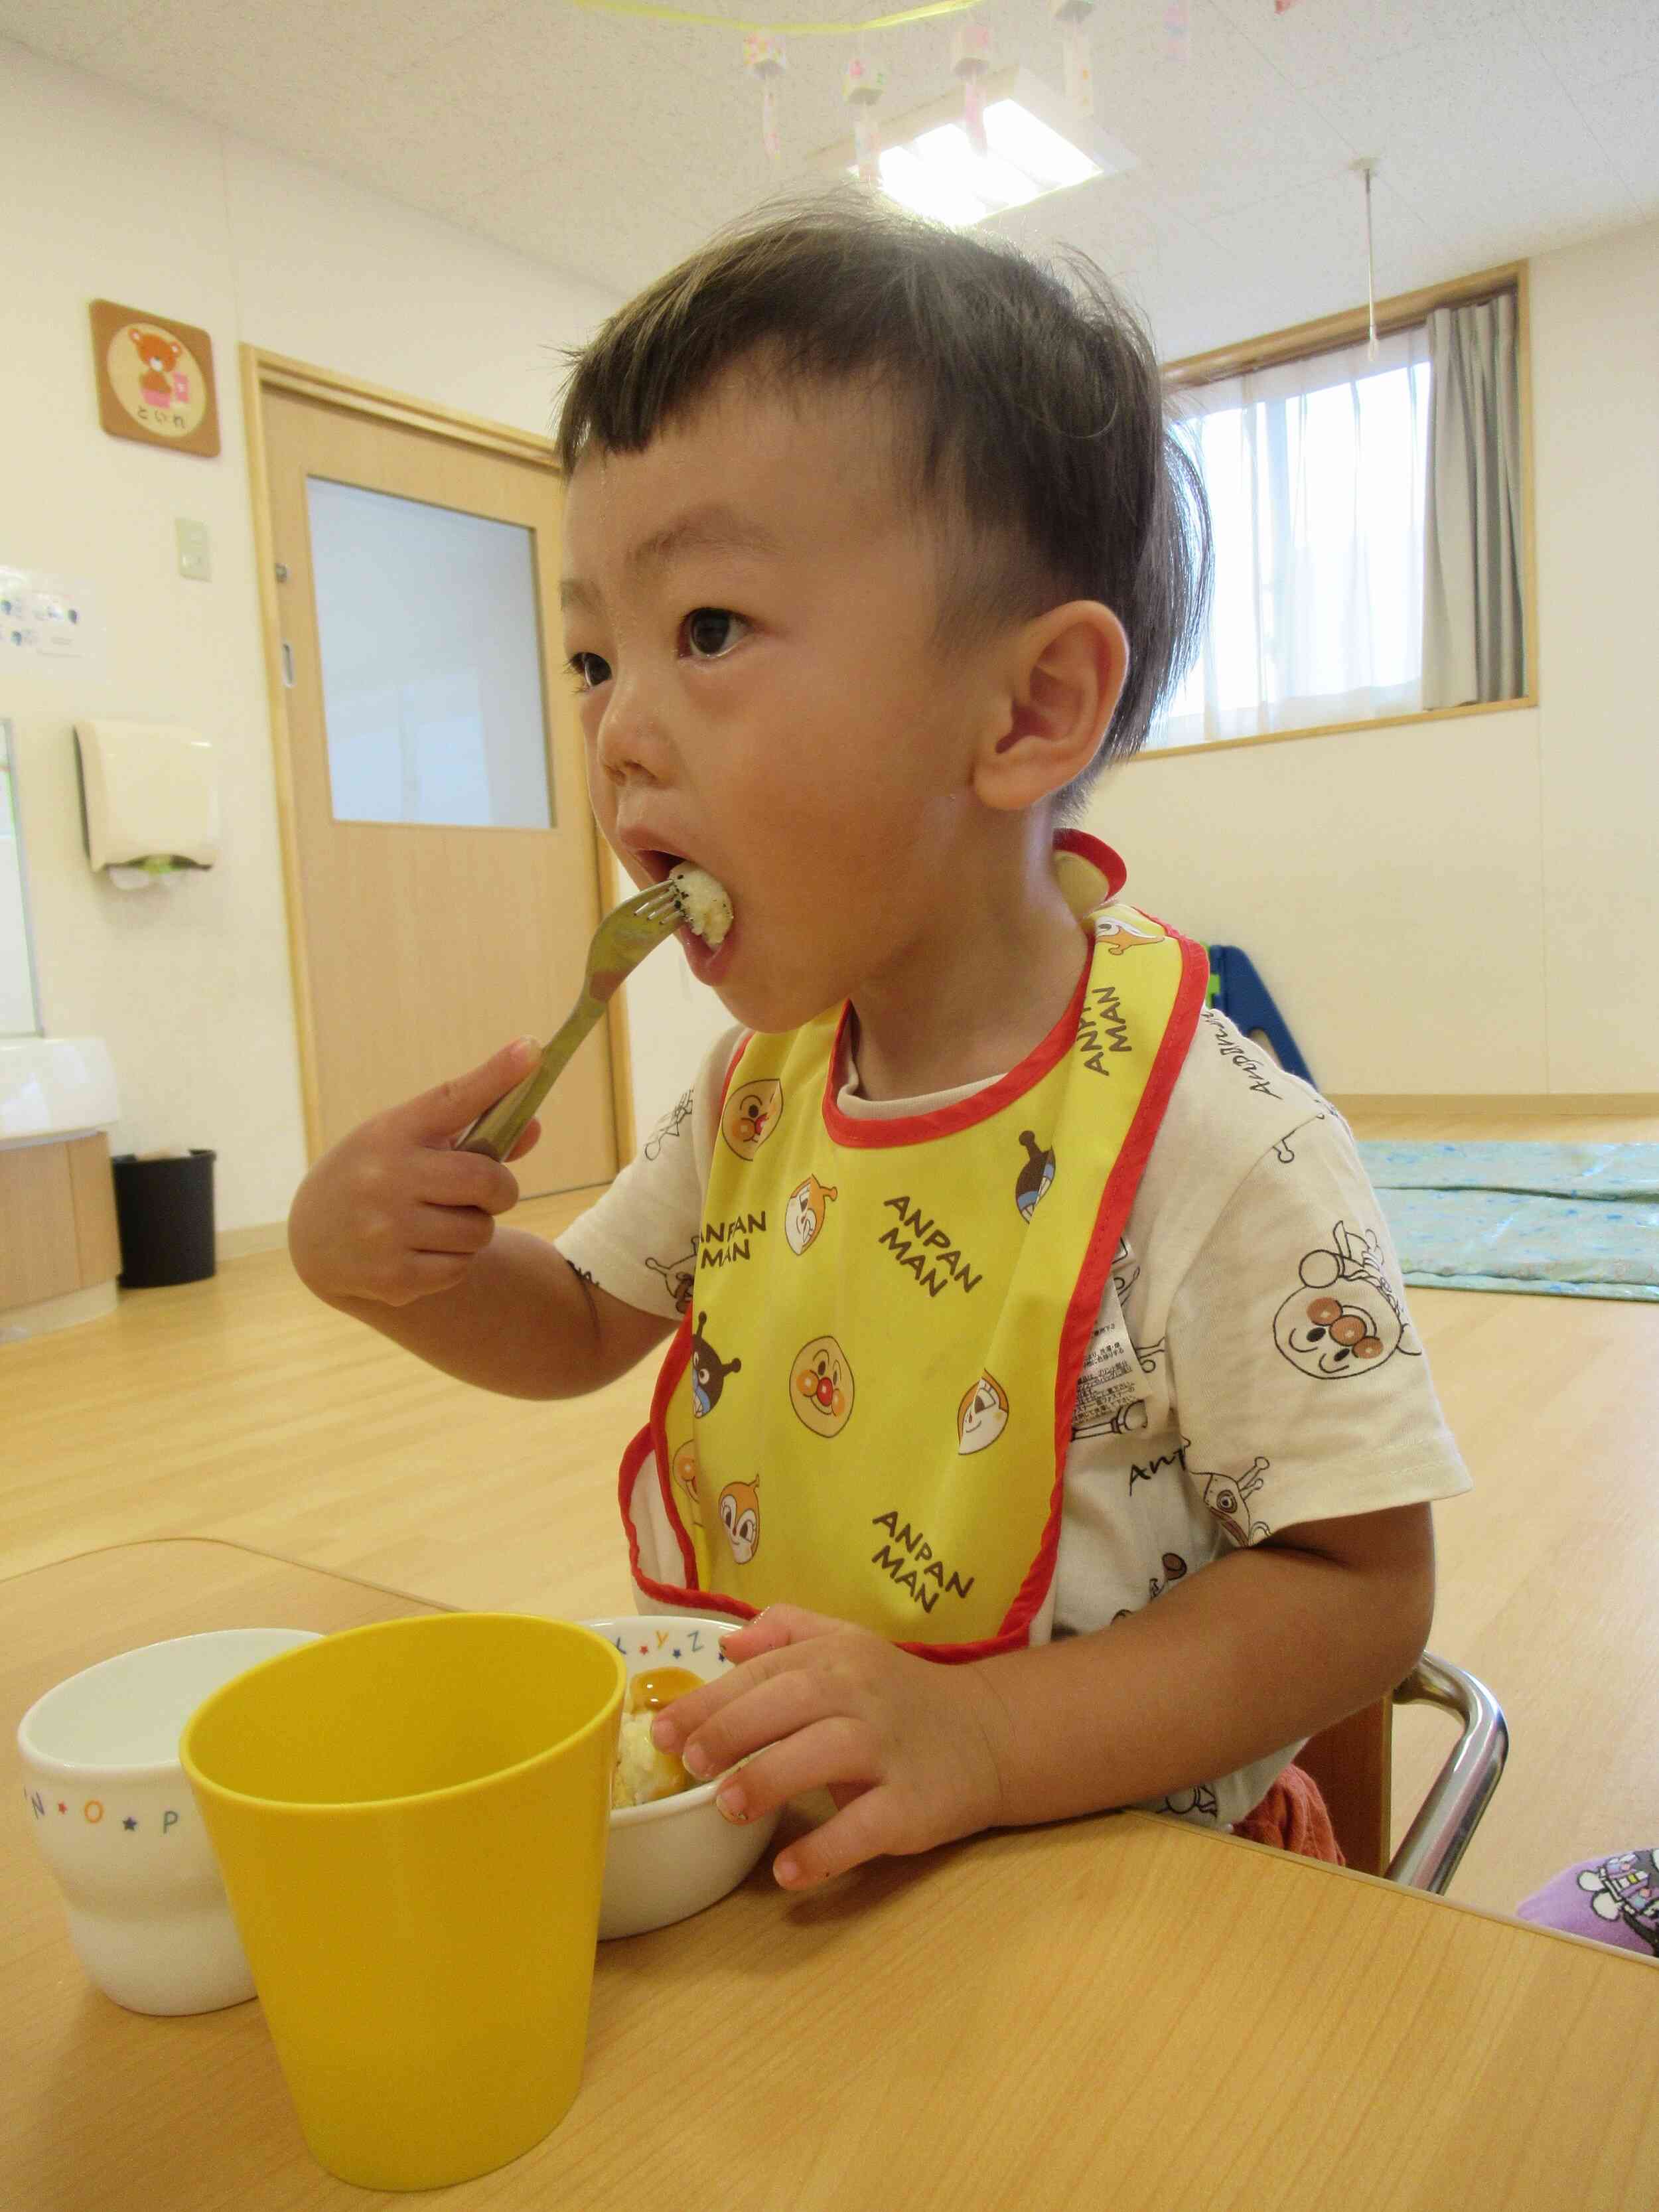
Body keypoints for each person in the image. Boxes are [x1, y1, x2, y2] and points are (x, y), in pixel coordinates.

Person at [288, 193, 1469, 1891]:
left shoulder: (1218, 1139)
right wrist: (387, 1266)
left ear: (1026, 711)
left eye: (704, 630)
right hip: (810, 1856)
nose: (617, 731)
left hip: (1136, 1885)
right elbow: (572, 1326)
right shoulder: (754, 1093)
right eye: (590, 656)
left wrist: (983, 1735)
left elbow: (1363, 1594)